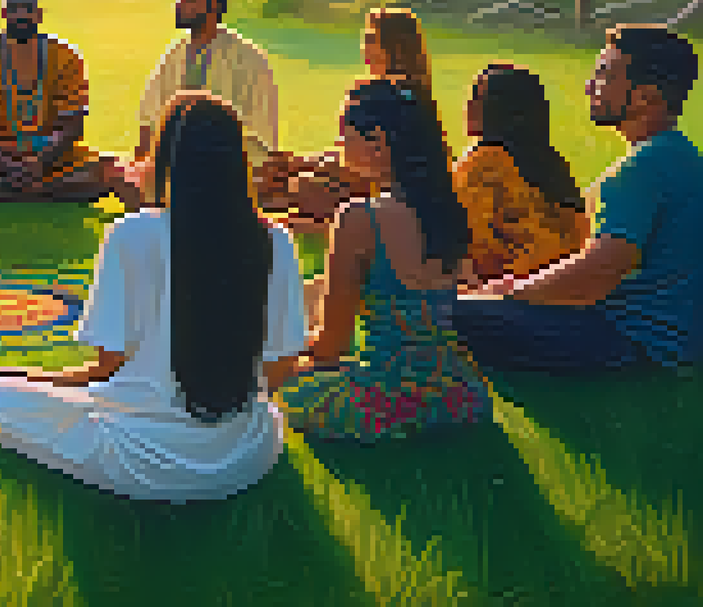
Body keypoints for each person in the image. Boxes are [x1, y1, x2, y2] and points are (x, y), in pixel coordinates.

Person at [0, 91, 308, 502]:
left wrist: (32, 378)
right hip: (244, 458)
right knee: (258, 416)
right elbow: (281, 366)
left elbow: (106, 368)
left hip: (138, 461)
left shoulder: (131, 232)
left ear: (167, 161)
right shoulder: (275, 240)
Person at [456, 25, 702, 370]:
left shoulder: (639, 170)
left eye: (604, 76)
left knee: (446, 311)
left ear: (645, 97)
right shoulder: (682, 156)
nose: (589, 86)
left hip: (630, 340)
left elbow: (593, 277)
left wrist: (504, 290)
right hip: (672, 340)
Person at [266, 80, 489, 443]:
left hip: (387, 401)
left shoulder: (359, 219)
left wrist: (276, 359)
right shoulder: (447, 211)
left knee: (266, 377)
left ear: (379, 142)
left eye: (345, 135)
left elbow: (329, 350)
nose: (339, 146)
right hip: (459, 398)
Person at [0, 0, 141, 211]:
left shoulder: (66, 56)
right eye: (15, 9)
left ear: (39, 14)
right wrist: (5, 164)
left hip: (53, 160)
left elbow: (73, 126)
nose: (21, 15)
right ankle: (43, 192)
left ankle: (12, 192)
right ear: (4, 13)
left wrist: (40, 162)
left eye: (28, 9)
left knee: (113, 170)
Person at [258, 7, 443, 231]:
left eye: (372, 39)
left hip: (386, 191)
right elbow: (349, 152)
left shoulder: (396, 99)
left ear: (395, 47)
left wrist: (309, 170)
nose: (364, 47)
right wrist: (301, 162)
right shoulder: (388, 91)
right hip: (363, 184)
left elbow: (369, 167)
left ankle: (287, 219)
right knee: (286, 179)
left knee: (302, 186)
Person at [125, 0, 278, 200]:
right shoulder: (174, 54)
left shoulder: (249, 60)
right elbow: (148, 120)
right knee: (119, 177)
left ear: (213, 5)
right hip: (173, 164)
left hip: (228, 166)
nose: (178, 5)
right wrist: (144, 165)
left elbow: (261, 136)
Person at [453, 63, 589, 281]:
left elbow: (471, 243)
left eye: (478, 98)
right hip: (565, 285)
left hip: (509, 292)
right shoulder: (554, 164)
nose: (468, 106)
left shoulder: (484, 163)